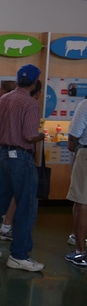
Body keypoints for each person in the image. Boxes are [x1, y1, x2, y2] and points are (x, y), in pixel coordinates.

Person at [0, 64, 45, 272]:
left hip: (2, 156)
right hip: (20, 158)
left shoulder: (4, 99)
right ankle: (19, 255)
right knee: (26, 206)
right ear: (34, 82)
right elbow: (29, 135)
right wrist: (41, 136)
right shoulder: (30, 104)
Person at [65, 94, 87, 266]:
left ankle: (80, 252)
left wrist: (71, 143)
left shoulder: (84, 105)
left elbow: (75, 134)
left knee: (82, 203)